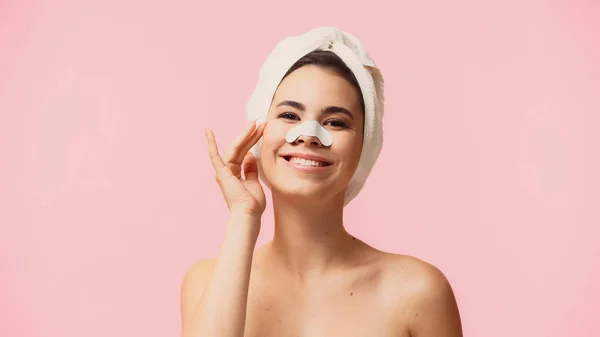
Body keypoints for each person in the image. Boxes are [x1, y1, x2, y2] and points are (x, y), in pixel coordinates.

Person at [180, 27, 463, 337]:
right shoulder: (207, 282)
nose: (309, 135)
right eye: (289, 115)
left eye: (335, 122)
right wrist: (243, 218)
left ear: (365, 145)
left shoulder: (418, 292)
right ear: (260, 133)